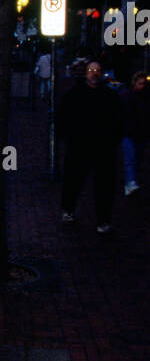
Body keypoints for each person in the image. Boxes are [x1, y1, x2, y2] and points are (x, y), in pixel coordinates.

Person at [58, 61, 124, 233]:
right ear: (85, 73)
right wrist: (70, 138)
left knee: (105, 185)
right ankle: (68, 209)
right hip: (79, 146)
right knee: (73, 180)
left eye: (97, 70)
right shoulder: (74, 95)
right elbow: (63, 119)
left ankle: (103, 219)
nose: (94, 73)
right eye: (91, 70)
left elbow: (118, 121)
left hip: (104, 148)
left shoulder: (110, 96)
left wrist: (112, 140)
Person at [122, 71, 149, 196]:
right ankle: (130, 181)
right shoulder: (128, 97)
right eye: (140, 83)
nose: (142, 86)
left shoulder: (144, 97)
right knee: (130, 157)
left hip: (139, 132)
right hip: (129, 132)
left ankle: (131, 180)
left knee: (136, 158)